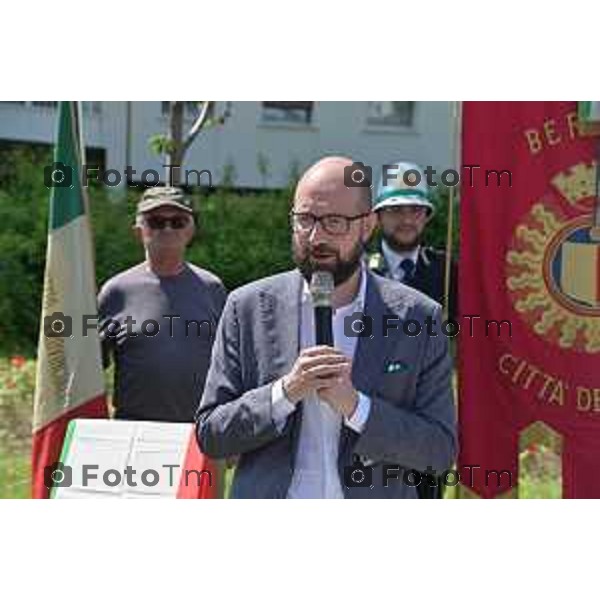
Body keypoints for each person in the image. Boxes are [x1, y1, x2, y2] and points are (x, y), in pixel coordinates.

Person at [196, 157, 456, 499]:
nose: (316, 236)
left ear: (367, 226)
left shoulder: (418, 317)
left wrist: (356, 406)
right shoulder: (247, 308)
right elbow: (212, 434)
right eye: (305, 220)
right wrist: (284, 392)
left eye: (334, 222)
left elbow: (438, 450)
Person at [98, 186, 227, 423]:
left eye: (177, 222)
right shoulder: (115, 292)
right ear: (139, 231)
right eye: (156, 222)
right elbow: (91, 370)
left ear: (191, 230)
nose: (167, 229)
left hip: (199, 433)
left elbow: (231, 365)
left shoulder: (213, 289)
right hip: (134, 432)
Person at [368, 161, 458, 322]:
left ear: (426, 216)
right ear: (378, 217)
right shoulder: (361, 270)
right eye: (395, 210)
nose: (407, 220)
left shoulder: (445, 270)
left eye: (416, 210)